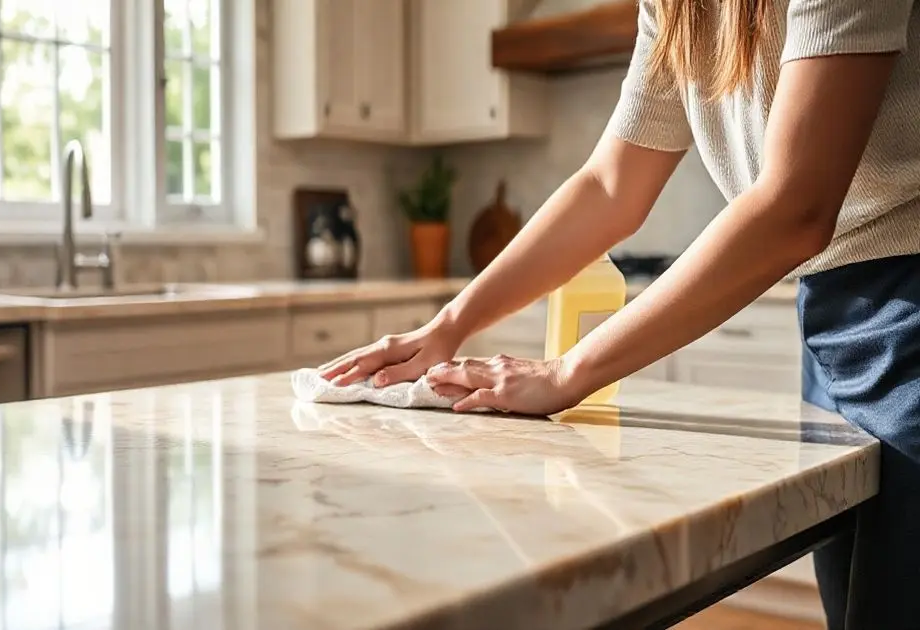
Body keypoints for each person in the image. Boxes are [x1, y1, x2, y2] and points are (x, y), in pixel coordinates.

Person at [318, 0, 920, 627]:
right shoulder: (678, 8)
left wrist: (567, 371)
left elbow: (795, 208)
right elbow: (610, 183)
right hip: (830, 317)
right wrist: (450, 324)